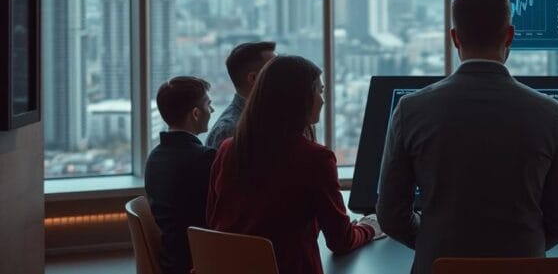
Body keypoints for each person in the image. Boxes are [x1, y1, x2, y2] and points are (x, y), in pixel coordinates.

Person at [376, 0, 558, 274]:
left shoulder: (411, 111)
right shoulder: (551, 115)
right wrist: (524, 247)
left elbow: (391, 215)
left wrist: (432, 241)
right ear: (509, 35)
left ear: (455, 38)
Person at [206, 55, 382, 274]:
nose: (323, 99)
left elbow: (214, 220)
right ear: (300, 99)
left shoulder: (227, 149)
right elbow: (341, 241)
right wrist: (369, 228)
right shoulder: (316, 159)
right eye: (319, 91)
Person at [144, 76, 217, 274]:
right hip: (199, 262)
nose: (212, 111)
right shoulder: (205, 159)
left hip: (172, 259)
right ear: (195, 113)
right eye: (208, 105)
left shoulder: (154, 158)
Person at [206, 41, 275, 151]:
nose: (282, 76)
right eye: (275, 71)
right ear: (253, 78)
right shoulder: (229, 130)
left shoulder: (269, 118)